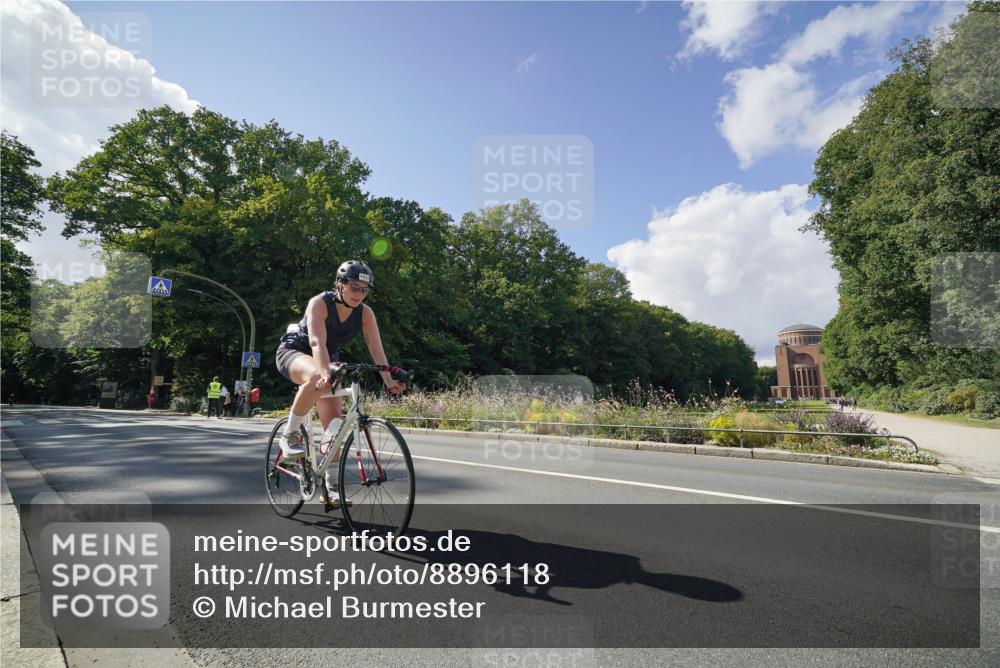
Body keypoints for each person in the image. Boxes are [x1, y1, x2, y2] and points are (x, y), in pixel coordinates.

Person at [274, 260, 405, 506]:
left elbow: (376, 348)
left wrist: (388, 380)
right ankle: (289, 434)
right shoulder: (320, 303)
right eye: (354, 287)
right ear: (339, 284)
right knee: (315, 376)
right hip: (295, 352)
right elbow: (316, 343)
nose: (359, 294)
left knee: (333, 430)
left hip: (327, 360)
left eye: (365, 290)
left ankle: (331, 488)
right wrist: (324, 373)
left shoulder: (365, 313)